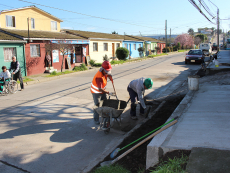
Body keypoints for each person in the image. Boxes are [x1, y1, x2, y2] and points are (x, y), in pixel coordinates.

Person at [91, 61, 114, 125]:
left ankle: (104, 116)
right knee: (97, 106)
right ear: (103, 69)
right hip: (96, 92)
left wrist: (110, 77)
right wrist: (108, 93)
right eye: (106, 71)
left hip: (102, 91)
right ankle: (96, 119)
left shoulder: (104, 72)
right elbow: (100, 89)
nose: (107, 73)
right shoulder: (99, 77)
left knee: (105, 104)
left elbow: (107, 74)